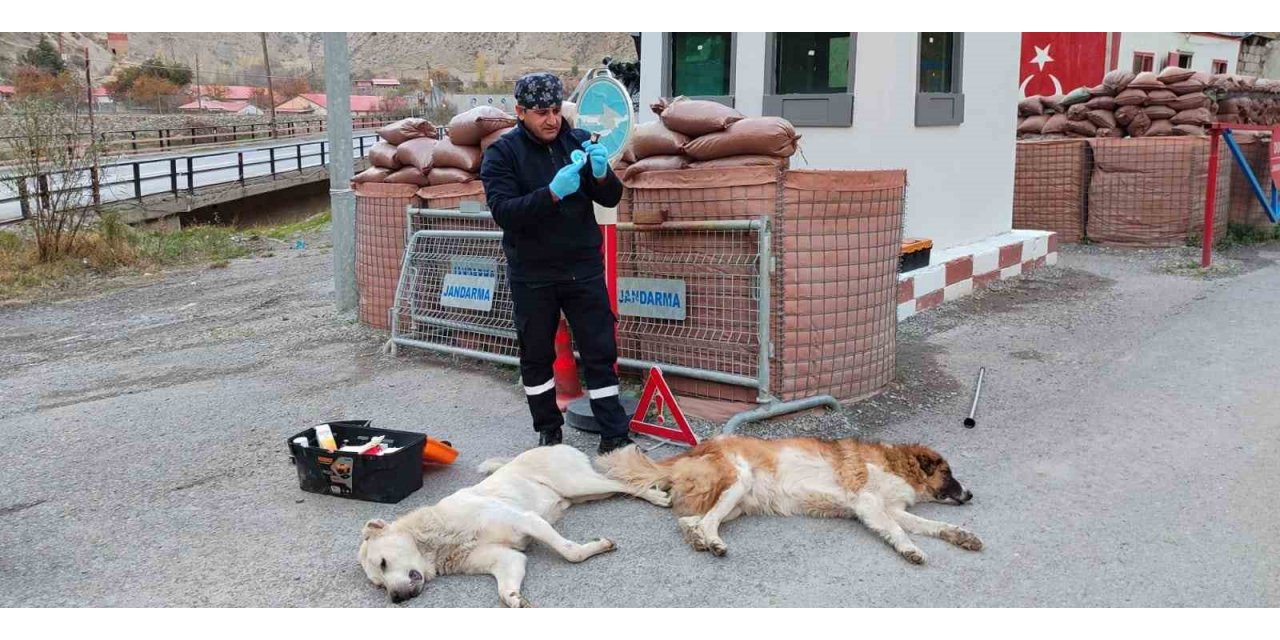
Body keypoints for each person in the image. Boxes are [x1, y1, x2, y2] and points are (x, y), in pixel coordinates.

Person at [479, 72, 634, 455]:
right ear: (520, 111)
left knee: (600, 349)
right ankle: (549, 431)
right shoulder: (503, 154)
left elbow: (611, 198)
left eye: (554, 110)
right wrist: (550, 194)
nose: (551, 120)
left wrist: (600, 175)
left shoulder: (578, 141)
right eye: (540, 113)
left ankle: (613, 434)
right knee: (537, 354)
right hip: (533, 274)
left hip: (582, 266)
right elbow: (505, 213)